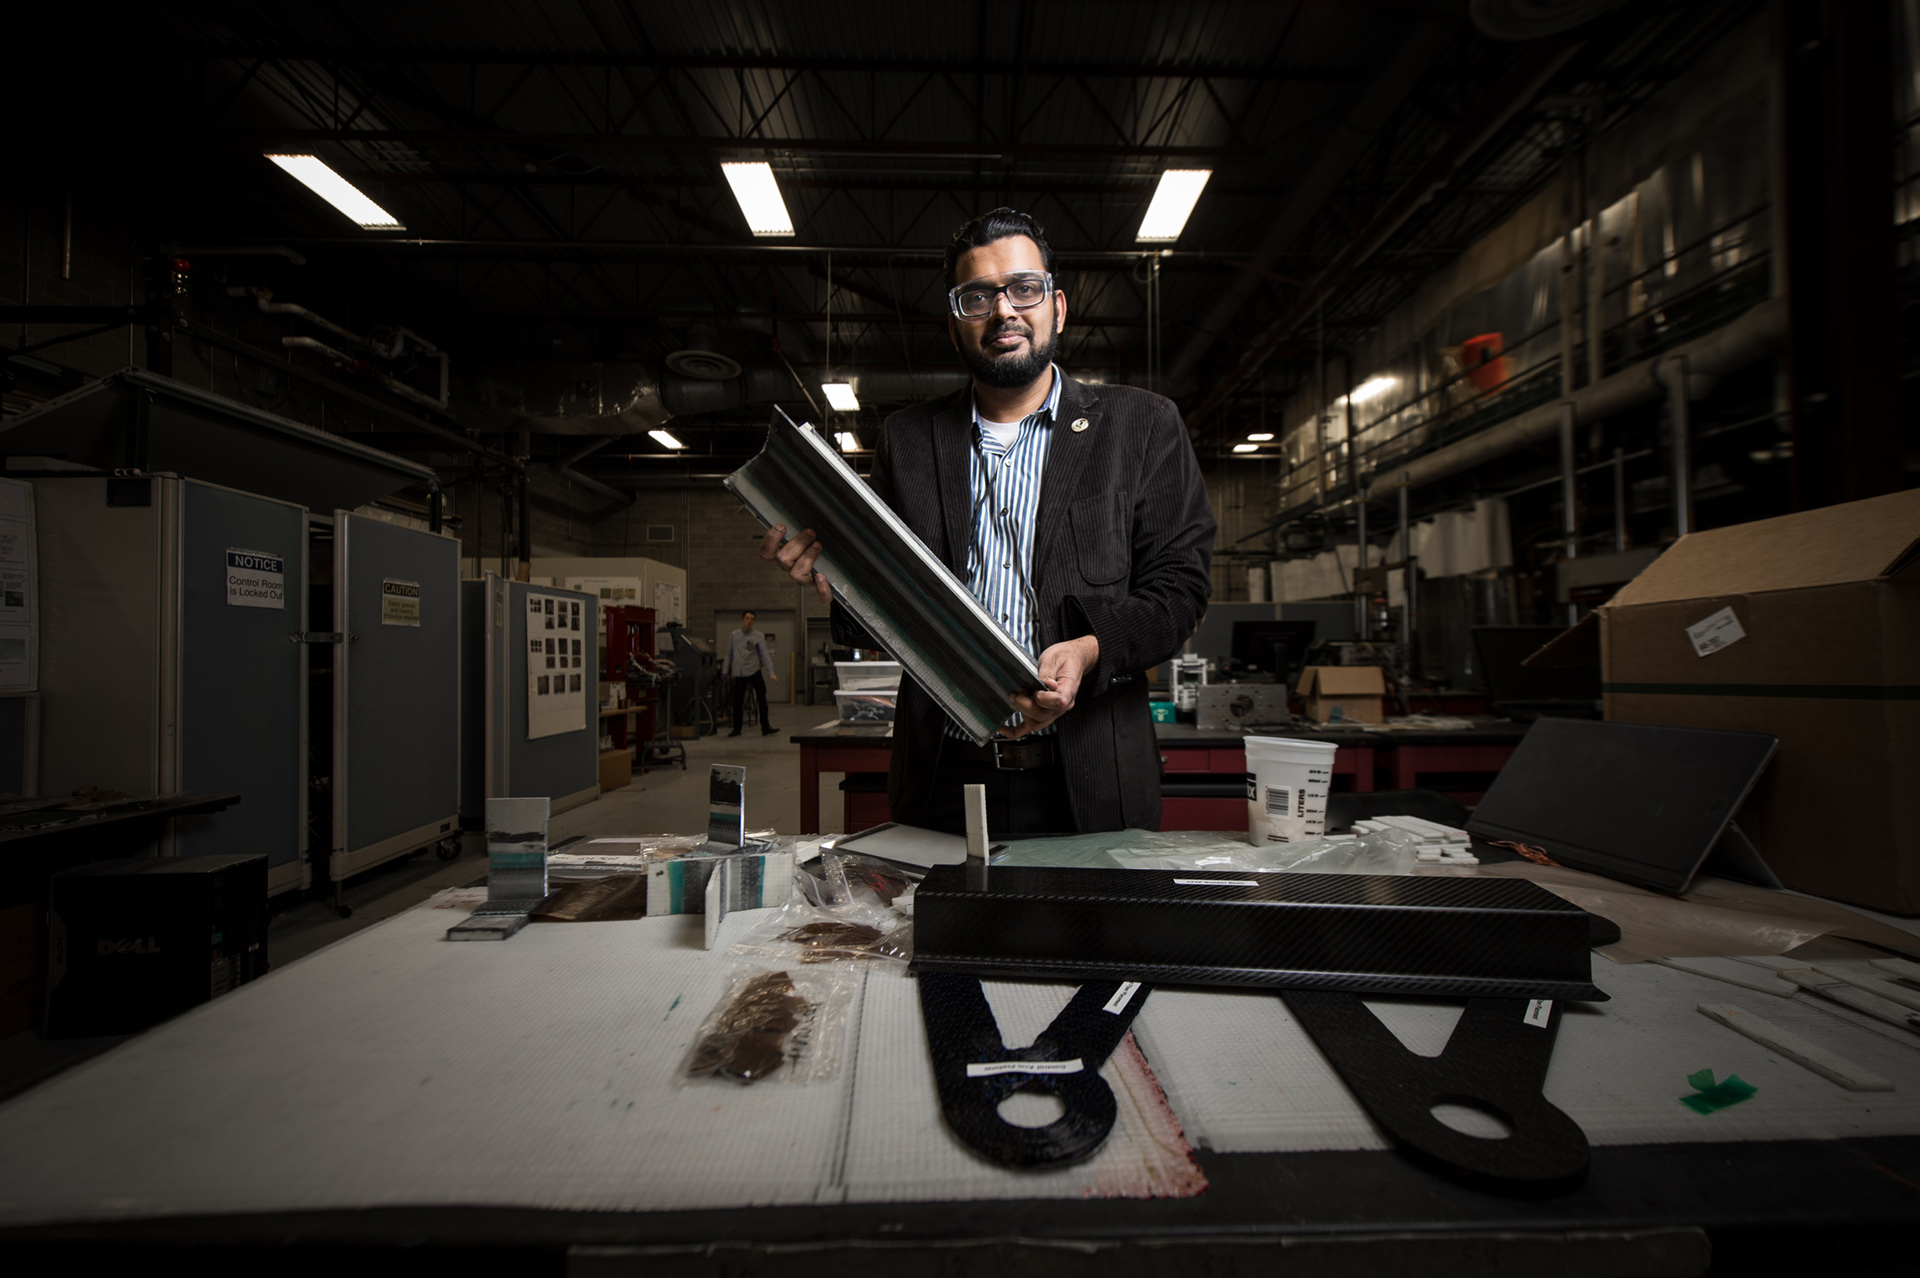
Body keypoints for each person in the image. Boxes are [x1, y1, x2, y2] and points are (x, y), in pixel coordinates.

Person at [760, 208, 1214, 834]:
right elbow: (892, 607)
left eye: (1023, 288)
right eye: (977, 296)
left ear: (1056, 306)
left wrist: (1089, 649)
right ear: (955, 324)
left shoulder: (1142, 427)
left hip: (1090, 777)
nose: (1003, 310)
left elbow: (1179, 593)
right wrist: (832, 578)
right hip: (943, 773)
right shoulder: (909, 439)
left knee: (1090, 934)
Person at [722, 610, 778, 737]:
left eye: (752, 619)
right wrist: (724, 672)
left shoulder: (758, 636)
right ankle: (737, 728)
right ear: (743, 619)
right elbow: (728, 654)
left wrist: (771, 672)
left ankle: (765, 726)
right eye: (747, 618)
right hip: (740, 673)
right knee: (738, 701)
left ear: (754, 621)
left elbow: (764, 655)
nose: (749, 621)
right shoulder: (734, 635)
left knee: (762, 698)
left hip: (754, 671)